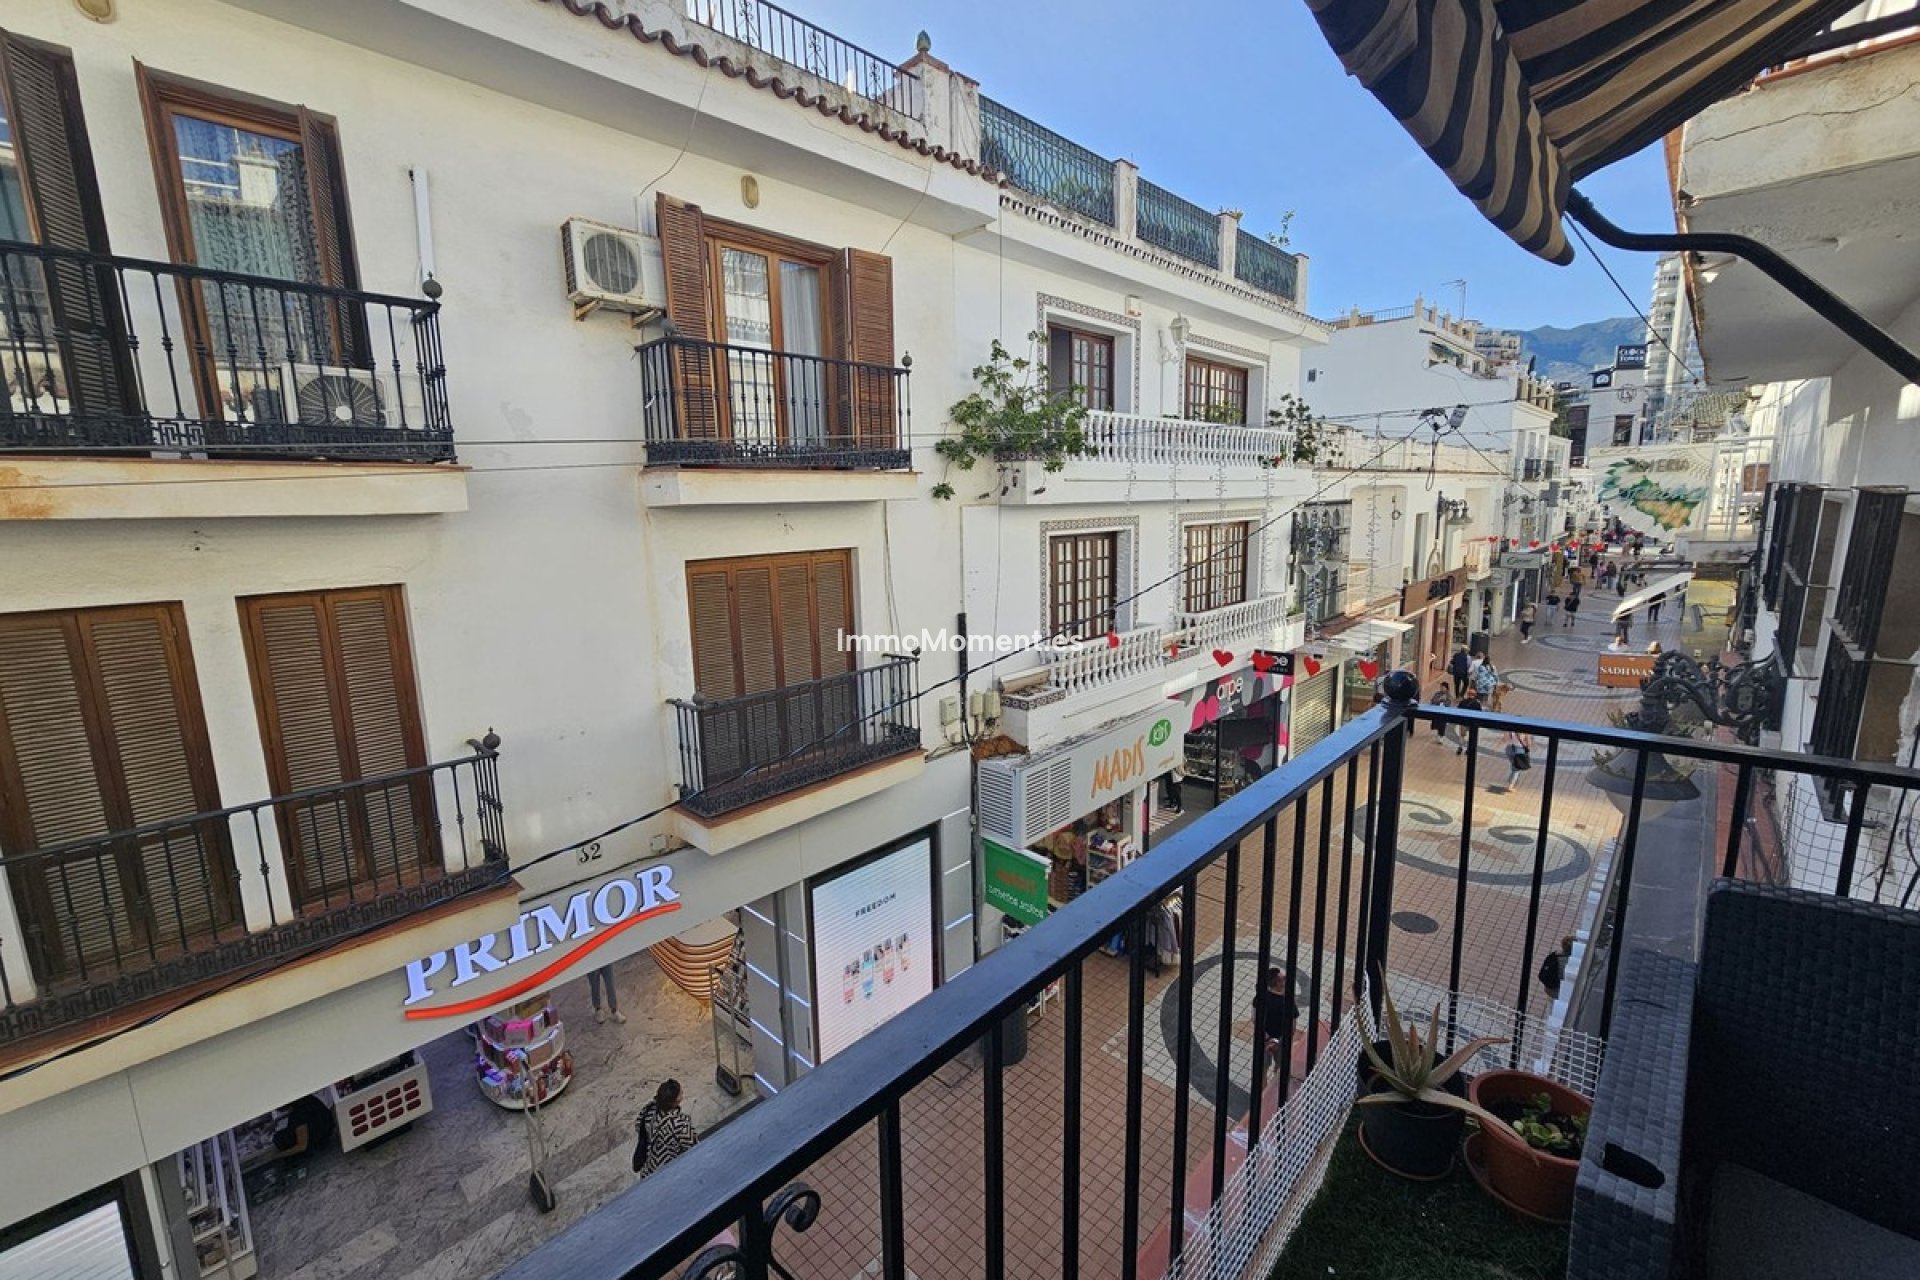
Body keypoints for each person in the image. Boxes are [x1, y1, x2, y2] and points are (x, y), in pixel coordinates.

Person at [246, 1094, 336, 1169]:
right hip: (326, 1124)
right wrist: (276, 1121)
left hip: (322, 1136)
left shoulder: (297, 1117)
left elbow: (302, 1146)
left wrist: (275, 1156)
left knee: (280, 1138)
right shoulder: (303, 1099)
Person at [634, 1079, 698, 1178]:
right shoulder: (680, 1124)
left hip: (648, 1166)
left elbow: (638, 1125)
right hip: (666, 1169)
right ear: (676, 1101)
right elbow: (693, 1147)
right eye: (680, 1093)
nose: (682, 1092)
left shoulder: (649, 1109)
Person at [1252, 966, 1299, 1077]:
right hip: (1281, 1040)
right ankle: (1276, 1079)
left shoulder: (1260, 997)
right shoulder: (1288, 1003)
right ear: (1279, 983)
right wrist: (1282, 1040)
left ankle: (1263, 1087)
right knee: (1281, 1066)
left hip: (1263, 1039)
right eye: (1284, 978)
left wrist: (1267, 1038)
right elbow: (1292, 1027)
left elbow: (1254, 1019)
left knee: (1262, 1070)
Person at [1453, 687, 1482, 754]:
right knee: (1471, 736)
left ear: (1468, 694)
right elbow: (1480, 714)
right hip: (1473, 723)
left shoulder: (1463, 702)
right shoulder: (1477, 704)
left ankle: (1460, 747)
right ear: (1475, 695)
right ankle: (1468, 749)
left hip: (1463, 721)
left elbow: (1458, 710)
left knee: (1462, 735)